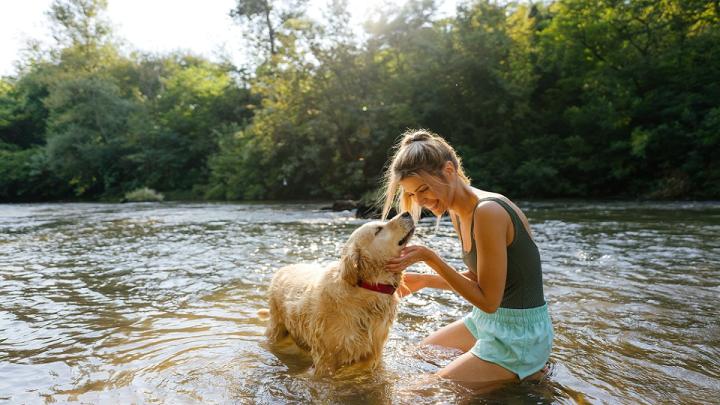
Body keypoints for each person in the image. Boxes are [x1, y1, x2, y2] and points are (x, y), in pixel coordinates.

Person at [381, 129, 553, 384]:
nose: (420, 200)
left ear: (449, 170)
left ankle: (528, 367)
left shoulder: (488, 212)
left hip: (519, 334)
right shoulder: (458, 210)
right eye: (411, 194)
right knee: (418, 356)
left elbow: (488, 300)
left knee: (422, 394)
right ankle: (526, 374)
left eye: (424, 189)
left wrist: (431, 258)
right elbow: (478, 278)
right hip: (488, 322)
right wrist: (426, 280)